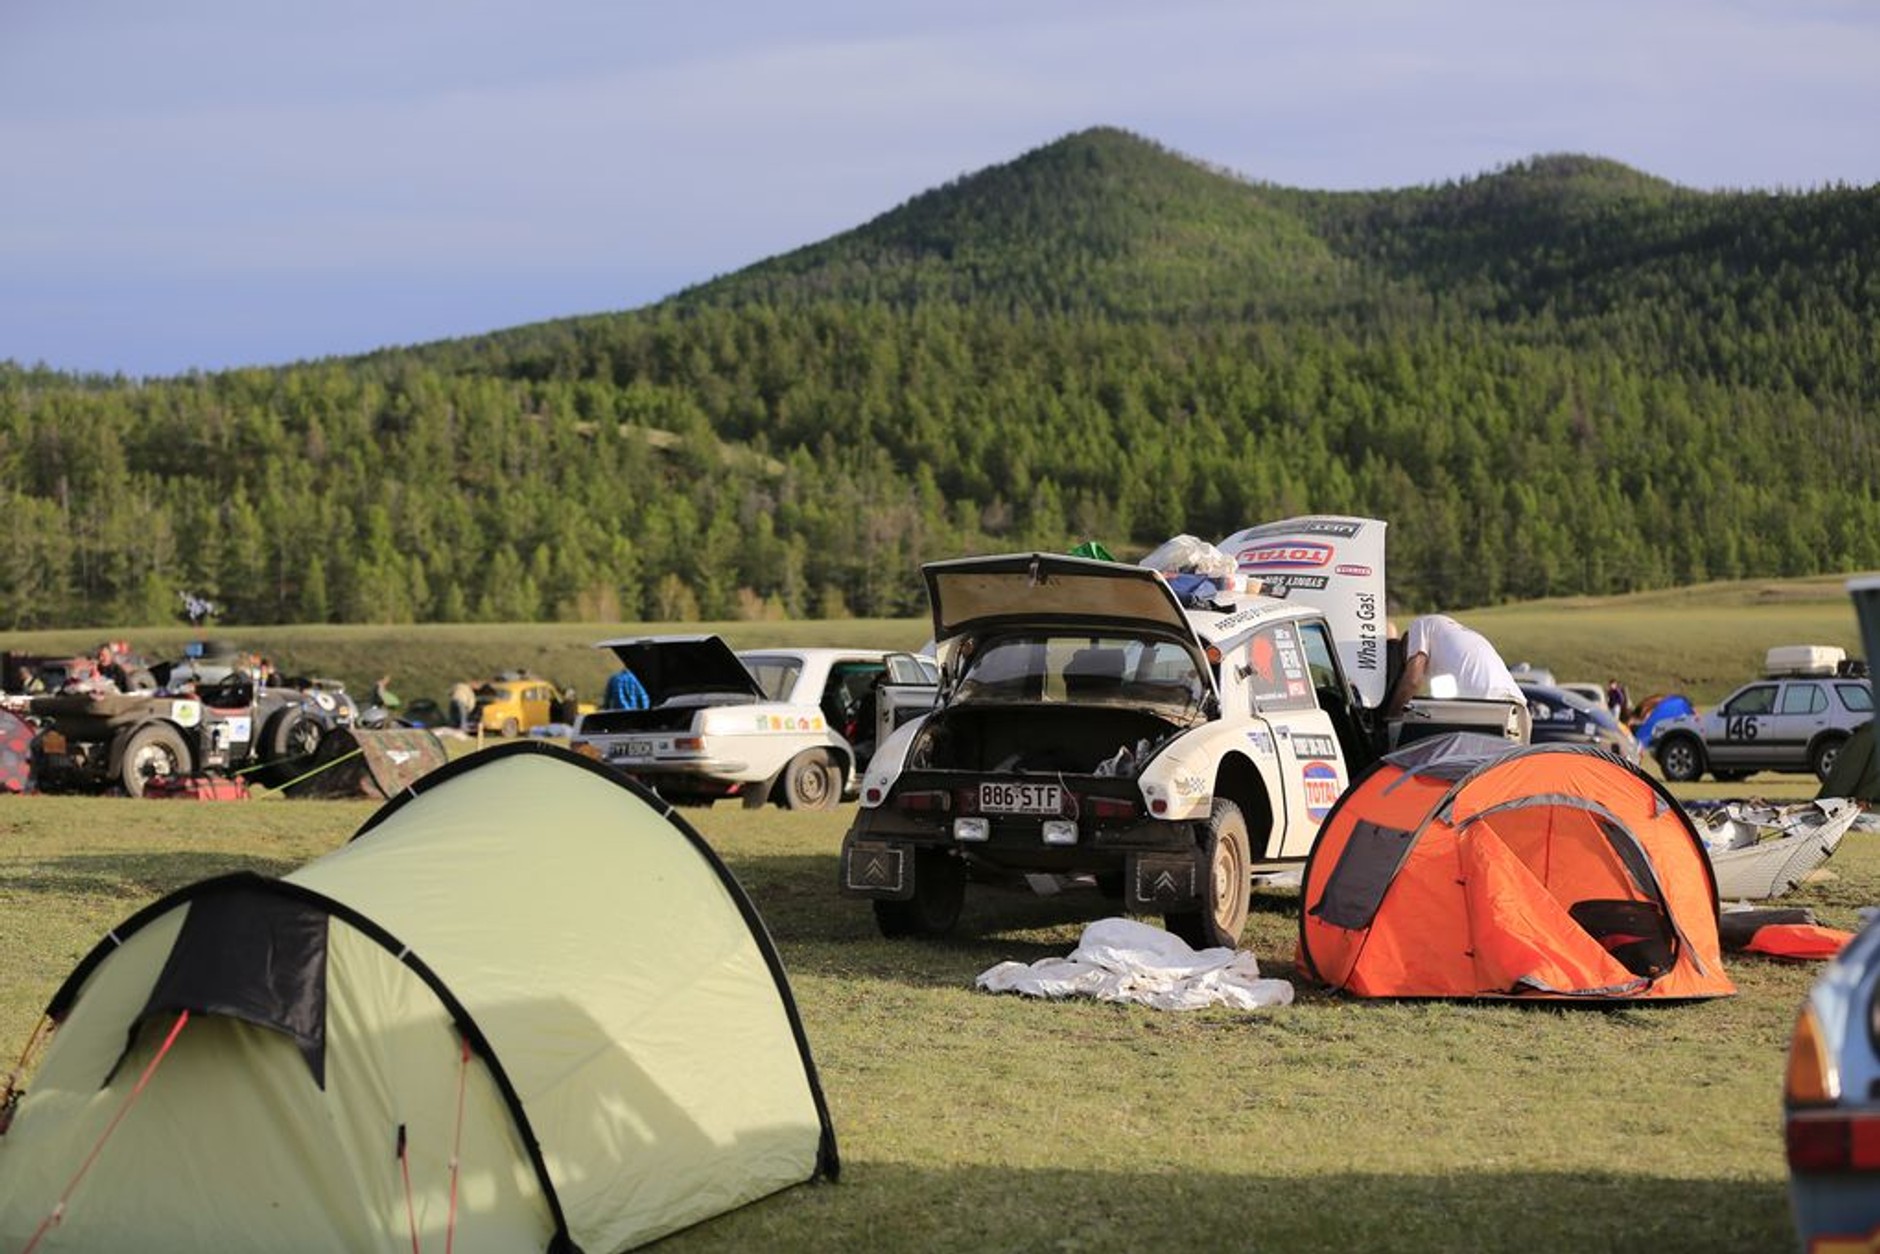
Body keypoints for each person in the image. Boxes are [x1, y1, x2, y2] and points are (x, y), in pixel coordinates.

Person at [1384, 614, 1525, 722]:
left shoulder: (1419, 625)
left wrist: (1391, 717)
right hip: (1518, 707)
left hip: (1485, 705)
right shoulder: (1449, 635)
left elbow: (1412, 681)